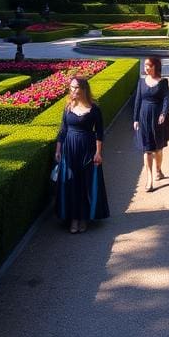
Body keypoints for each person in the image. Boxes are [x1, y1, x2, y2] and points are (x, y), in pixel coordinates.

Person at [55, 77, 109, 233]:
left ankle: (84, 217)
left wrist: (98, 153)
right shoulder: (67, 108)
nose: (73, 90)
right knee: (71, 184)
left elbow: (99, 133)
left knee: (85, 184)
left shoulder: (94, 109)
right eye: (71, 87)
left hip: (87, 149)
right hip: (69, 150)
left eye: (76, 87)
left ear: (84, 89)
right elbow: (63, 131)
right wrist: (58, 150)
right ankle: (74, 219)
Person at [133, 55, 169, 192]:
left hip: (158, 119)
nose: (146, 68)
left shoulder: (163, 82)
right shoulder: (141, 82)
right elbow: (137, 101)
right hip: (144, 117)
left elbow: (166, 99)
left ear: (155, 67)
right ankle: (149, 179)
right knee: (147, 150)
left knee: (158, 149)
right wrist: (135, 119)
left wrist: (163, 113)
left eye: (148, 66)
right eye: (145, 66)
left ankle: (158, 169)